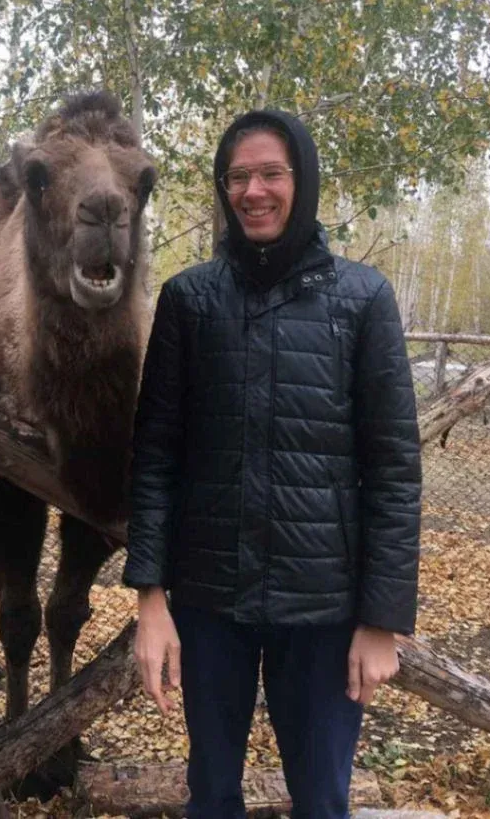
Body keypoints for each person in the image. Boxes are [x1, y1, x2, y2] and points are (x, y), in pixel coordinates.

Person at [123, 108, 422, 819]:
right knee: (212, 795)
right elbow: (155, 456)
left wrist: (383, 619)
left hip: (323, 609)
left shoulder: (362, 300)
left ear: (304, 181)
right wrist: (150, 600)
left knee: (322, 801)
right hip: (209, 604)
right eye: (237, 177)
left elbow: (394, 470)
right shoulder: (189, 300)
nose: (253, 191)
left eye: (271, 174)